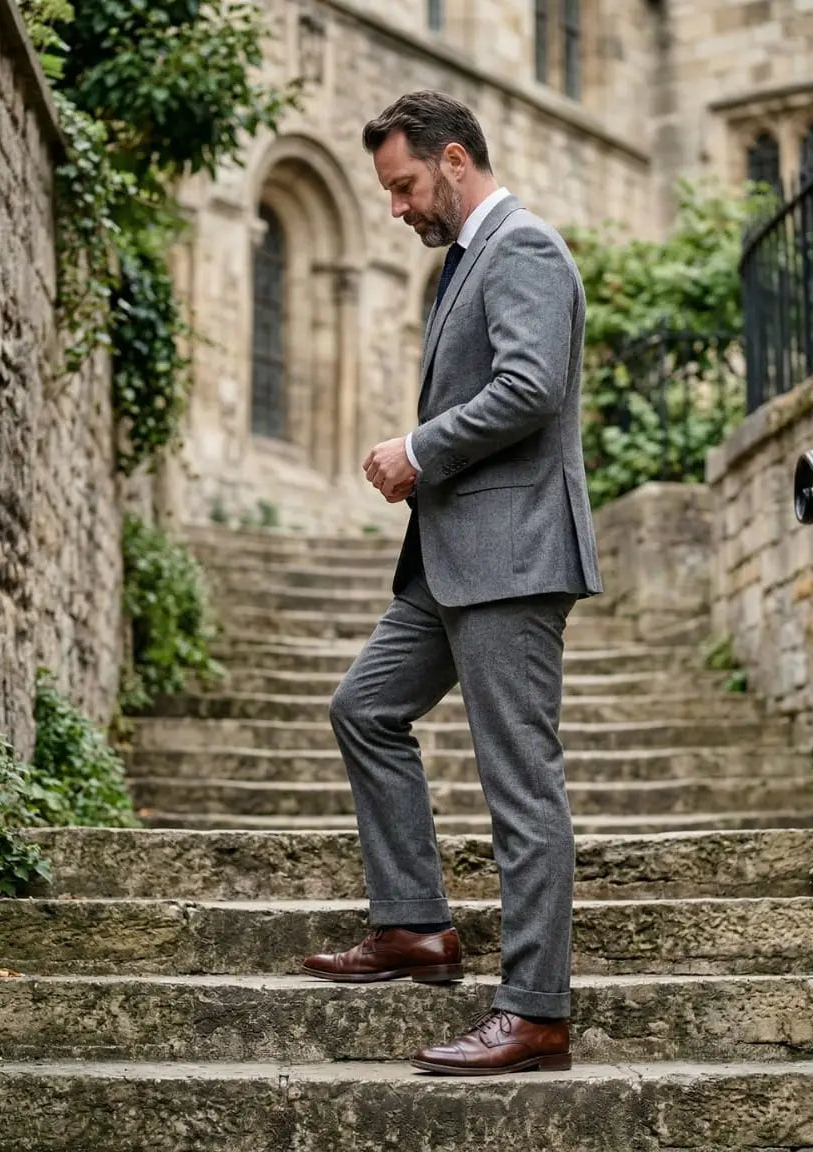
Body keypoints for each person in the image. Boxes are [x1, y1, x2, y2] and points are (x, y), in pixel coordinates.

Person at [302, 90, 601, 1075]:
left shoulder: (520, 248)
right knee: (365, 708)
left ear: (456, 159)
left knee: (520, 786)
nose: (396, 207)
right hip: (451, 561)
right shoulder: (471, 259)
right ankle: (414, 924)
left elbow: (530, 388)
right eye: (387, 191)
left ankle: (535, 1013)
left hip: (511, 557)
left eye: (404, 185)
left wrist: (419, 450)